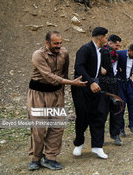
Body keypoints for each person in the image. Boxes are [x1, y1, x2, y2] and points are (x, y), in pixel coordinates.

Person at [27, 31, 87, 171]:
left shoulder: (64, 53)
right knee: (38, 129)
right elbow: (49, 77)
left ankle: (50, 158)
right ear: (47, 43)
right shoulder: (38, 55)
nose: (59, 46)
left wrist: (63, 90)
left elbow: (63, 73)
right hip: (38, 95)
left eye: (60, 43)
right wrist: (72, 83)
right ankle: (35, 158)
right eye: (55, 43)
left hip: (56, 94)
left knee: (57, 126)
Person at [72, 27, 110, 159]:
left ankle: (97, 147)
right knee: (82, 115)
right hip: (82, 88)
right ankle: (79, 144)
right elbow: (79, 67)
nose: (107, 39)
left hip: (96, 87)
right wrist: (91, 82)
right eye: (106, 37)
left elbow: (92, 66)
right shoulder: (85, 49)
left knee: (99, 114)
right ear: (100, 38)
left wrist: (100, 71)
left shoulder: (100, 51)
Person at [99, 35, 124, 146]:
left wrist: (117, 69)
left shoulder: (115, 54)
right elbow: (92, 63)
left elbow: (113, 67)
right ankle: (99, 138)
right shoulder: (102, 52)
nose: (118, 47)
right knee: (102, 112)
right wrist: (100, 68)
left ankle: (115, 134)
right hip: (104, 86)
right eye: (116, 45)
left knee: (117, 109)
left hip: (114, 84)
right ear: (110, 43)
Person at [116, 43, 133, 136]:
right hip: (119, 83)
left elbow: (132, 65)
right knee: (122, 105)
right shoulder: (119, 54)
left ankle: (132, 125)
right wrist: (118, 68)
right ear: (129, 50)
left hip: (128, 82)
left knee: (132, 104)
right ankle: (121, 128)